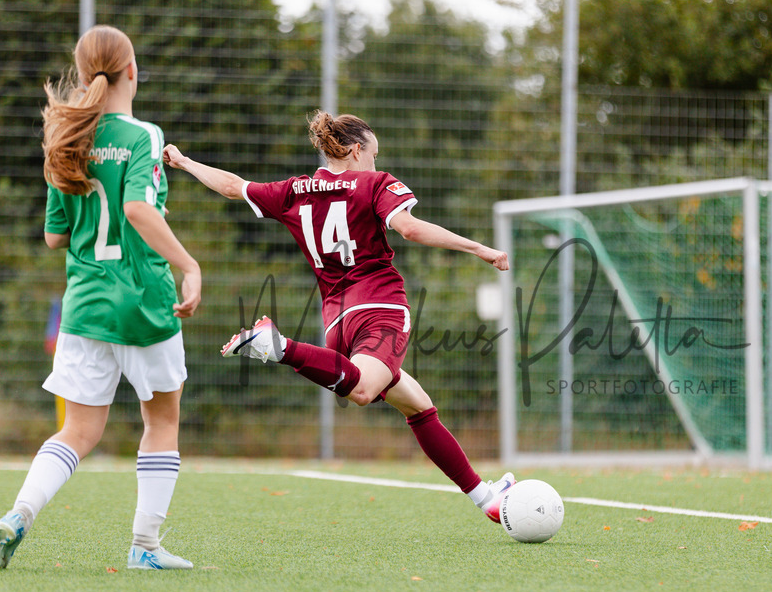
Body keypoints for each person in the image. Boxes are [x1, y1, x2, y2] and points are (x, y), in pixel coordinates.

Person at [162, 111, 516, 522]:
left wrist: (186, 163)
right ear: (355, 149)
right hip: (380, 307)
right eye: (374, 154)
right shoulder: (375, 184)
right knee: (364, 391)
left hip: (337, 324)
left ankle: (485, 498)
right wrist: (480, 249)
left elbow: (232, 187)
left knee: (417, 405)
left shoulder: (295, 189)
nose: (376, 164)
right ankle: (279, 346)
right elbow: (410, 228)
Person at [0, 26, 202, 571]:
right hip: (144, 303)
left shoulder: (67, 138)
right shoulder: (142, 135)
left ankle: (18, 515)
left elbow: (55, 236)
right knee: (161, 422)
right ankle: (145, 548)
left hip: (84, 305)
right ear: (133, 71)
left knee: (77, 431)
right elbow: (136, 210)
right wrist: (189, 264)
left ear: (83, 77)